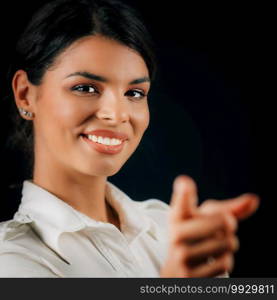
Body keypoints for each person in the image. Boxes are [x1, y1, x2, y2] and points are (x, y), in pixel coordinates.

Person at [0, 0, 259, 278]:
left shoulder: (167, 227)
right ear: (25, 93)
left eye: (134, 93)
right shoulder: (12, 258)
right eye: (85, 88)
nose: (117, 114)